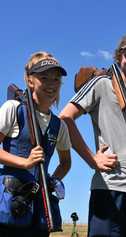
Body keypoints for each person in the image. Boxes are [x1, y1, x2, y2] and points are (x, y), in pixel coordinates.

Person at [60, 32, 126, 237]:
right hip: (109, 188)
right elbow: (65, 118)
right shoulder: (102, 84)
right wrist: (92, 159)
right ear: (119, 57)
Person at [0, 51, 71, 237]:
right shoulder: (13, 109)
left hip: (39, 206)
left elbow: (66, 162)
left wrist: (49, 181)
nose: (51, 84)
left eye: (56, 79)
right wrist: (25, 162)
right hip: (10, 205)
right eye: (44, 77)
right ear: (30, 80)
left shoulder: (60, 125)